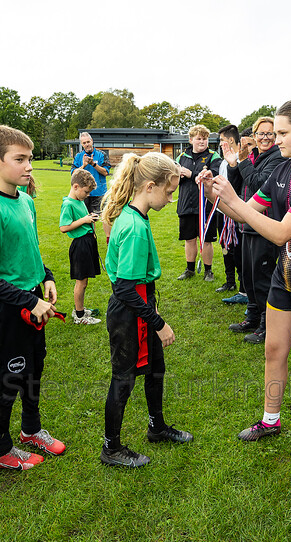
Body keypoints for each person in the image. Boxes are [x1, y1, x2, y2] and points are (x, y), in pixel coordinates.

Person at [203, 99, 291, 468]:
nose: (275, 139)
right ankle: (270, 420)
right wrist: (215, 194)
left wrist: (236, 201)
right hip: (284, 277)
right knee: (273, 350)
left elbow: (282, 232)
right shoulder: (281, 169)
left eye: (283, 133)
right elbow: (245, 211)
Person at [0, 124, 66, 470]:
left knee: (34, 369)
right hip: (6, 311)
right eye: (20, 159)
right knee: (9, 378)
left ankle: (31, 429)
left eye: (30, 159)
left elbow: (29, 250)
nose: (29, 167)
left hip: (33, 299)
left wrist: (47, 277)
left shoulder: (24, 200)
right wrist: (28, 301)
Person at [100, 152, 193, 468]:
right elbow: (125, 288)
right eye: (169, 192)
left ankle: (156, 426)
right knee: (123, 379)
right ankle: (111, 448)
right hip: (130, 311)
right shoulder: (135, 226)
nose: (170, 200)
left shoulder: (135, 215)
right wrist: (159, 323)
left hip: (140, 306)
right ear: (150, 186)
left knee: (155, 369)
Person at [226, 117, 290, 343]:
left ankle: (266, 325)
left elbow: (258, 183)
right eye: (260, 133)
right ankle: (252, 317)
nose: (265, 138)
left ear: (276, 136)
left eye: (270, 133)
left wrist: (243, 163)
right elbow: (238, 185)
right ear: (254, 135)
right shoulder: (254, 156)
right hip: (247, 223)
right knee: (249, 278)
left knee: (263, 279)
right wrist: (235, 164)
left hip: (265, 224)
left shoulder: (278, 158)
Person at [176, 125, 222, 282]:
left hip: (206, 206)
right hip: (186, 204)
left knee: (207, 240)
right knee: (189, 239)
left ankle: (208, 271)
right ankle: (189, 269)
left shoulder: (213, 156)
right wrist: (178, 175)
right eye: (199, 138)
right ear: (191, 140)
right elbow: (171, 175)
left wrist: (191, 174)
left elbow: (215, 176)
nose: (202, 141)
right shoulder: (182, 156)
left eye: (205, 138)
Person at [59, 169, 102, 325]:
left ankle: (81, 309)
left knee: (85, 281)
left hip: (88, 242)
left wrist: (90, 219)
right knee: (81, 281)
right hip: (80, 245)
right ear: (76, 186)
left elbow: (83, 220)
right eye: (86, 191)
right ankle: (79, 315)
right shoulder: (68, 203)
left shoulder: (79, 201)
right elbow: (63, 227)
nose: (87, 195)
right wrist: (84, 220)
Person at [214, 124, 245, 294]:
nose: (220, 144)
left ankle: (243, 286)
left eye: (222, 140)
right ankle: (229, 281)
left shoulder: (241, 160)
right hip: (222, 211)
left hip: (236, 211)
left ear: (231, 140)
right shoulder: (222, 162)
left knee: (238, 248)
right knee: (225, 245)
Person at [71, 132, 111, 215]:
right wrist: (83, 166)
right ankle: (91, 229)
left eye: (88, 142)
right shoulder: (78, 156)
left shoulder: (101, 155)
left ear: (92, 141)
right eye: (84, 143)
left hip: (99, 192)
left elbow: (106, 172)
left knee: (104, 217)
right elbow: (73, 174)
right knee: (86, 218)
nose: (87, 145)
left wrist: (93, 164)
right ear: (81, 144)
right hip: (83, 192)